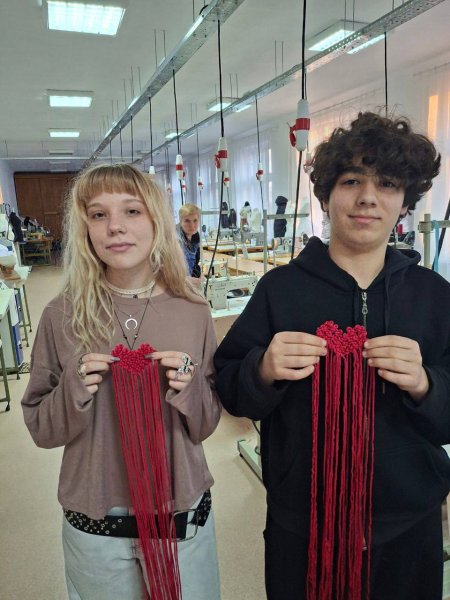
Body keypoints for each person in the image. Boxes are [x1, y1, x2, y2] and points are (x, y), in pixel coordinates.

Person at [214, 112, 450, 600]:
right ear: (325, 195)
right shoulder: (279, 290)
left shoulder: (434, 295)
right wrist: (263, 370)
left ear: (406, 201)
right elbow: (231, 390)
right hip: (304, 522)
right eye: (351, 181)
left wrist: (426, 384)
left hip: (408, 523)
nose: (368, 197)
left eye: (387, 184)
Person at [22, 163, 222, 600]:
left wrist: (188, 388)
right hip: (96, 527)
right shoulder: (61, 314)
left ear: (155, 220)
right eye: (99, 214)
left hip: (180, 520)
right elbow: (40, 428)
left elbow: (206, 423)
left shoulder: (193, 309)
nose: (115, 227)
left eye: (132, 211)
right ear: (85, 228)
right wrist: (74, 388)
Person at [177, 203, 201, 278]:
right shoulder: (174, 238)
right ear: (180, 221)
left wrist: (196, 278)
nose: (192, 226)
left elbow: (195, 264)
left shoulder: (195, 236)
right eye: (187, 221)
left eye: (195, 220)